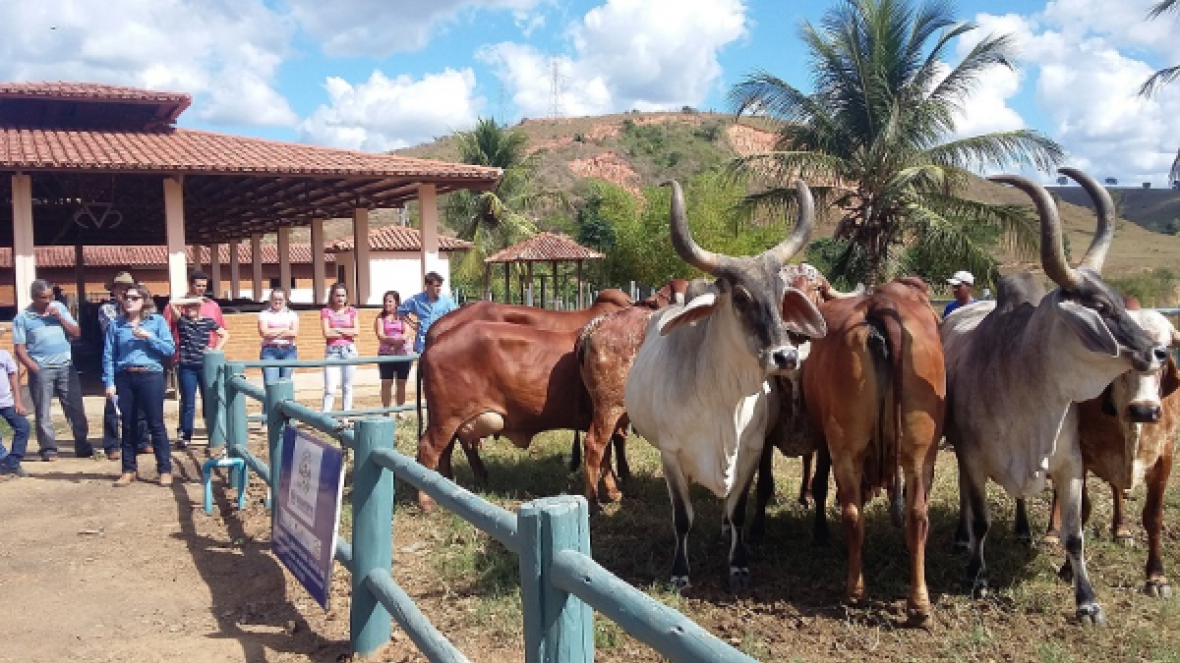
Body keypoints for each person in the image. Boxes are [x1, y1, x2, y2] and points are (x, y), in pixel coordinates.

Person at [103, 283, 176, 487]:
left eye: (134, 298)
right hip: (125, 377)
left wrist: (149, 337)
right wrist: (109, 383)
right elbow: (108, 355)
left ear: (144, 301)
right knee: (128, 424)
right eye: (127, 297)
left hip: (150, 375)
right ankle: (129, 469)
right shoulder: (116, 325)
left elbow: (169, 349)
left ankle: (164, 469)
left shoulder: (156, 322)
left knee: (156, 424)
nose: (129, 301)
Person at [12, 279, 90, 461]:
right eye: (43, 298)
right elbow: (19, 348)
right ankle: (48, 448)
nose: (47, 301)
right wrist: (33, 367)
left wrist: (60, 318)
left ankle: (82, 444)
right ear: (33, 297)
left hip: (65, 366)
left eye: (50, 296)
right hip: (42, 368)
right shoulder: (23, 318)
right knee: (43, 410)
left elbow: (76, 333)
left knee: (75, 407)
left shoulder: (59, 309)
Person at [98, 271, 150, 459]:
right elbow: (116, 331)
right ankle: (112, 444)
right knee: (113, 402)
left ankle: (142, 440)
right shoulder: (107, 309)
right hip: (116, 359)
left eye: (127, 288)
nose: (123, 292)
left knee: (141, 401)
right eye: (119, 288)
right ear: (113, 290)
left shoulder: (143, 310)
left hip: (137, 358)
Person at [169, 296, 229, 449]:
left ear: (199, 308)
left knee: (208, 400)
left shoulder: (207, 321)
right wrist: (194, 299)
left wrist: (215, 350)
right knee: (188, 402)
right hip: (186, 366)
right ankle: (185, 436)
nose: (189, 310)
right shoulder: (182, 321)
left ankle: (212, 434)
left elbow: (225, 334)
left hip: (204, 366)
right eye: (187, 307)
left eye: (193, 307)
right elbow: (171, 303)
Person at [163, 270, 225, 395]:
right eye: (198, 285)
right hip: (184, 358)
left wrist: (216, 349)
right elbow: (165, 331)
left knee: (209, 397)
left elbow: (222, 330)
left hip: (207, 357)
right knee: (187, 400)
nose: (201, 288)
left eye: (204, 286)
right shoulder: (179, 304)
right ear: (190, 285)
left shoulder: (213, 306)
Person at [258, 288, 300, 411]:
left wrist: (274, 332)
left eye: (280, 299)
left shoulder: (292, 314)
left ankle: (286, 419)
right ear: (270, 300)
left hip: (288, 351)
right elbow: (264, 333)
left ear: (286, 300)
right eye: (275, 299)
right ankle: (266, 419)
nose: (277, 302)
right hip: (270, 351)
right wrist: (284, 331)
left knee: (285, 385)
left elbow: (294, 333)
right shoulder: (264, 314)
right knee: (270, 385)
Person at [321, 282, 360, 413]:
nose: (340, 298)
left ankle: (345, 417)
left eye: (343, 295)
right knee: (330, 389)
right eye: (337, 295)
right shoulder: (326, 311)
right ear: (332, 296)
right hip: (332, 351)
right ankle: (325, 417)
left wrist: (336, 329)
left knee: (347, 387)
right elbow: (327, 333)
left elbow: (356, 331)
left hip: (349, 350)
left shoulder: (352, 311)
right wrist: (345, 331)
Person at [374, 291, 414, 417]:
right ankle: (386, 411)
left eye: (390, 301)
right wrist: (392, 343)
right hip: (386, 354)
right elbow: (380, 334)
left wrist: (397, 344)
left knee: (401, 383)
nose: (387, 303)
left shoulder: (403, 316)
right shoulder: (380, 318)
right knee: (386, 383)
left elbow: (407, 333)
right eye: (385, 301)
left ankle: (400, 410)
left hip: (403, 354)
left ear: (397, 302)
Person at [0, 325, 31, 480]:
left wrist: (18, 401)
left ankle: (12, 462)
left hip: (6, 402)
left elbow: (13, 377)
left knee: (23, 427)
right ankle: (4, 461)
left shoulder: (4, 355)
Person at [398, 271, 457, 353]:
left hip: (441, 344)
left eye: (440, 286)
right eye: (436, 286)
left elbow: (457, 316)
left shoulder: (447, 301)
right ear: (428, 285)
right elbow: (400, 311)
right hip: (423, 345)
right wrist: (413, 324)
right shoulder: (416, 300)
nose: (439, 289)